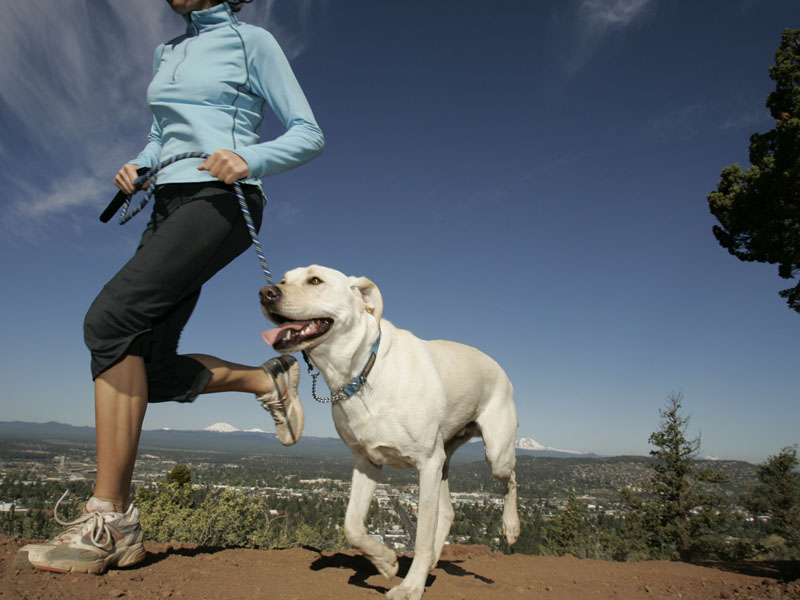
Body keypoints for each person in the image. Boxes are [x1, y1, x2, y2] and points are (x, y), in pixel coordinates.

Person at [15, 0, 324, 574]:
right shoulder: (167, 51)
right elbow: (162, 132)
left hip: (221, 200)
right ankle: (267, 379)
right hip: (166, 202)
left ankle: (111, 518)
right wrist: (141, 164)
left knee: (110, 321)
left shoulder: (251, 41)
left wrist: (249, 158)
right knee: (148, 369)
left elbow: (309, 134)